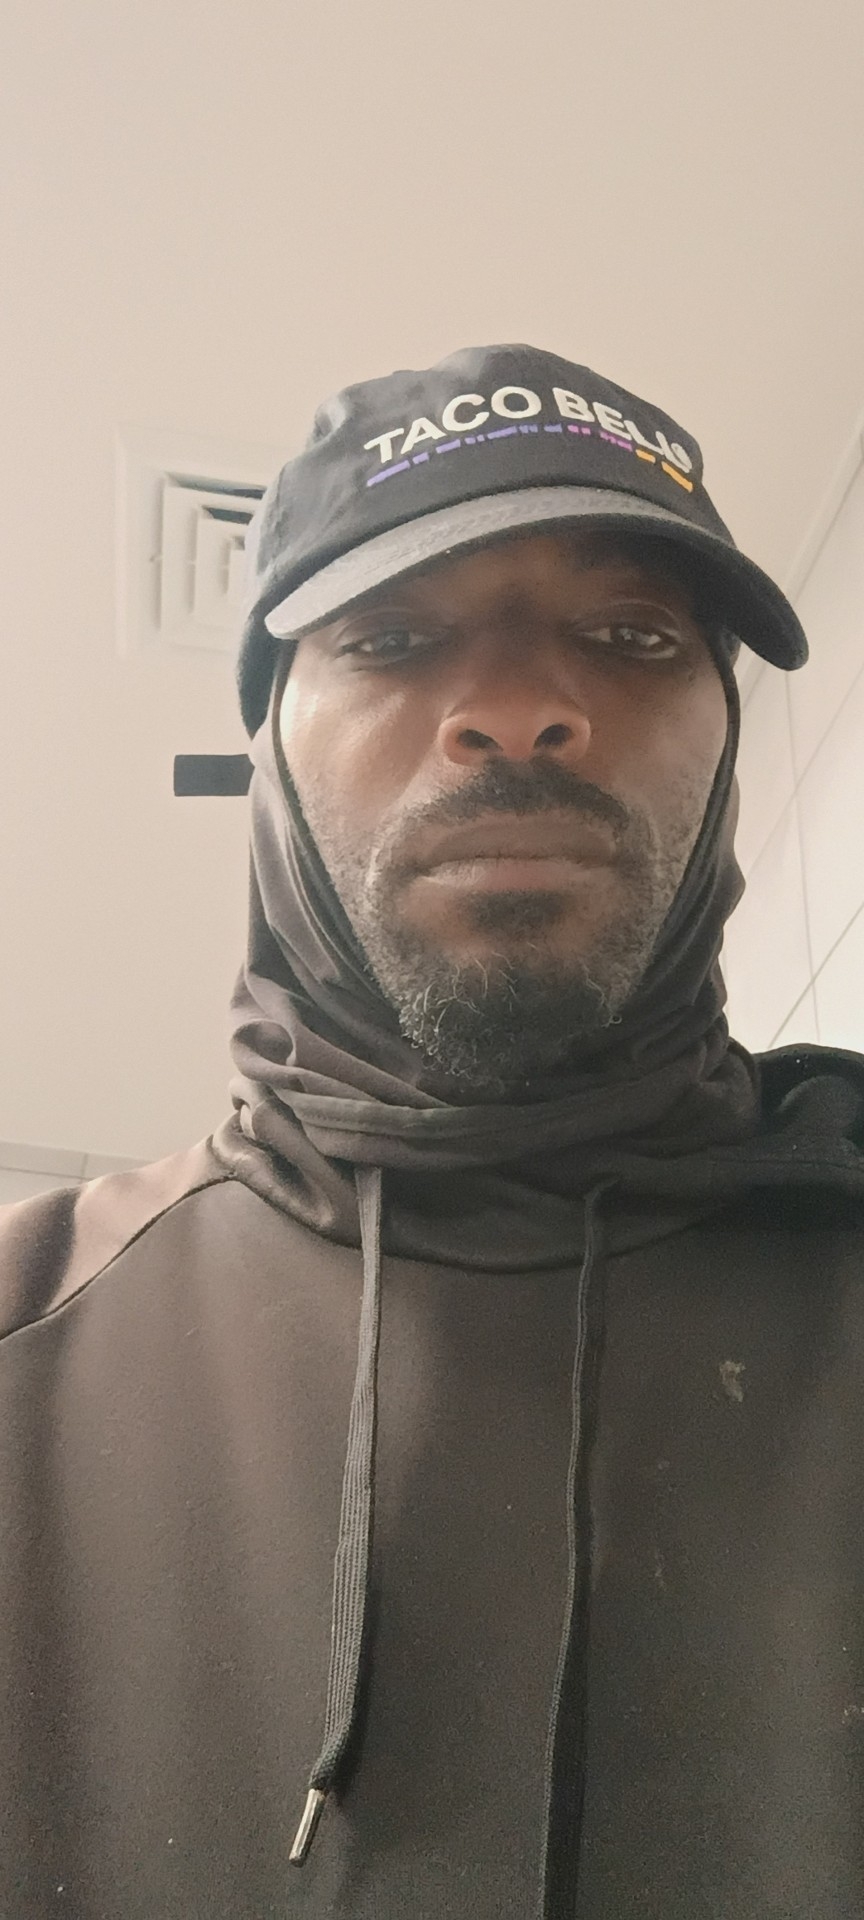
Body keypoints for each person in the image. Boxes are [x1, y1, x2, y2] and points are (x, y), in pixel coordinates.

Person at [2, 342, 864, 1920]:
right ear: (267, 757)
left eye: (633, 636)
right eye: (391, 638)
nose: (520, 712)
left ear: (731, 748)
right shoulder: (19, 1333)